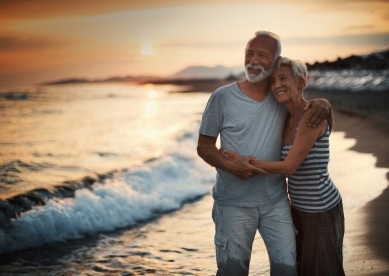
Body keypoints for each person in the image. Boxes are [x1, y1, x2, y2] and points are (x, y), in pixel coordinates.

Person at [197, 30, 331, 276]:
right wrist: (231, 166)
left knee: (288, 271)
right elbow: (204, 147)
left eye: (262, 55)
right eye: (249, 53)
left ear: (276, 60)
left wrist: (323, 103)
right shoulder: (222, 97)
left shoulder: (279, 95)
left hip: (276, 203)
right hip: (232, 204)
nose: (253, 60)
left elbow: (304, 105)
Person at [222, 57, 345, 276]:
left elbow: (289, 167)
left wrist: (244, 164)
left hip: (321, 208)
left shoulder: (311, 116)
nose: (277, 85)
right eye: (273, 81)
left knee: (322, 270)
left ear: (300, 82)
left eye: (283, 78)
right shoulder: (283, 118)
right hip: (296, 208)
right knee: (302, 268)